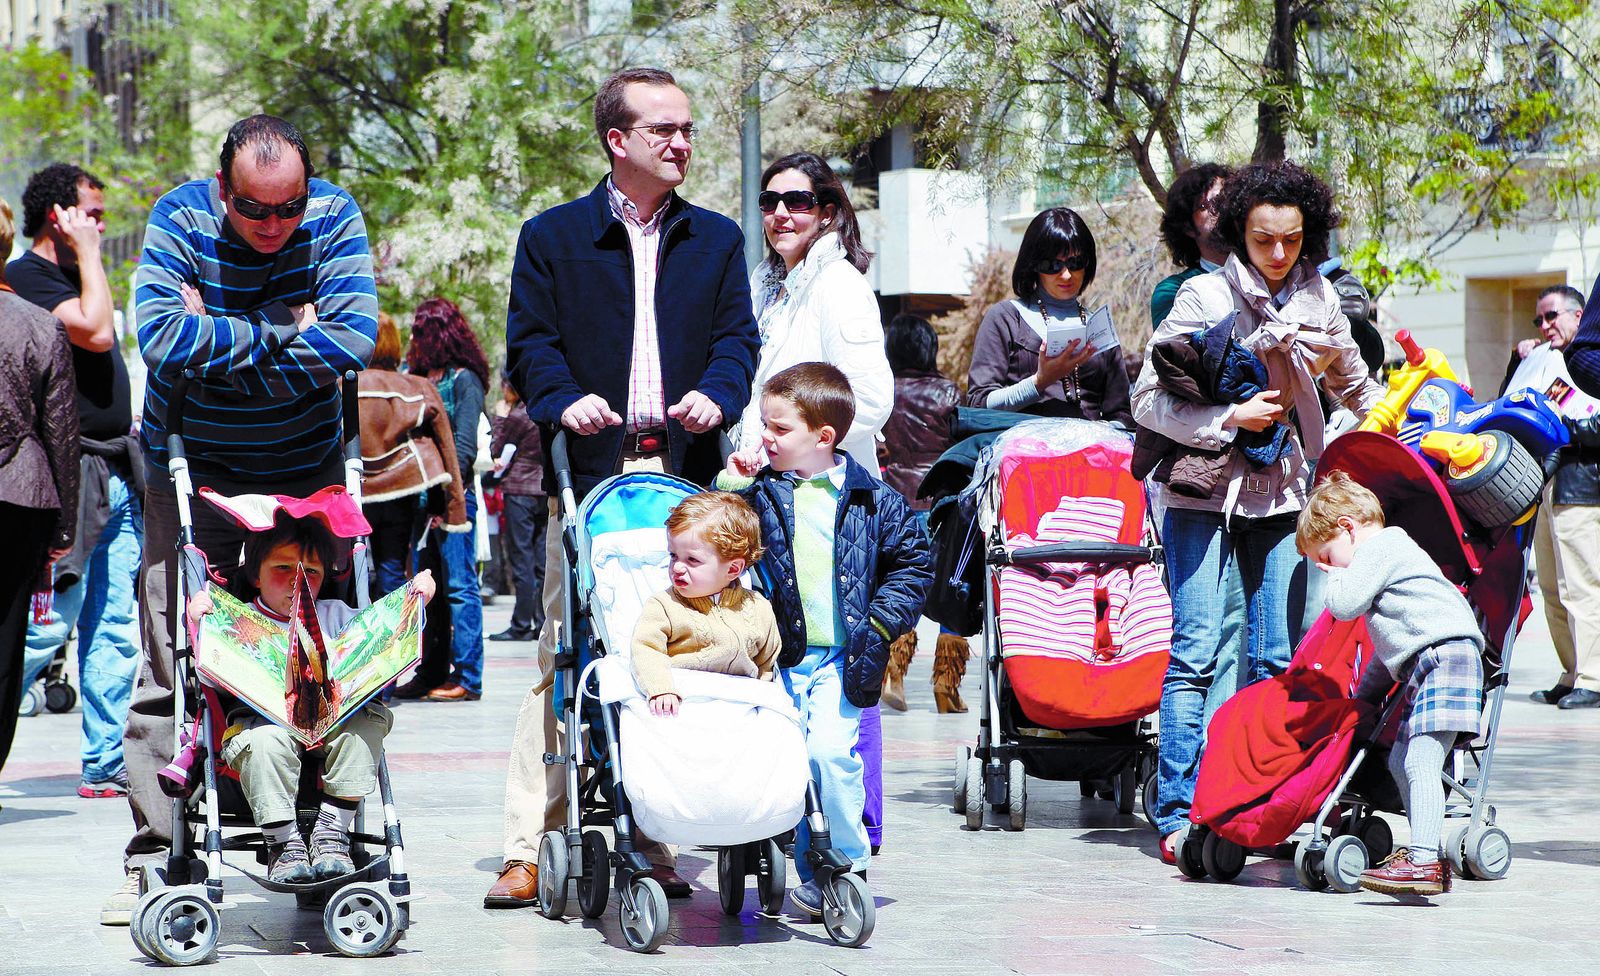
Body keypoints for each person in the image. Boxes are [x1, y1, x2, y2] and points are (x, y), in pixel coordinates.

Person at [490, 66, 758, 908]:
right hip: (591, 476)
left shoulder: (715, 240)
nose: (682, 143)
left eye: (687, 130)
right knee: (566, 659)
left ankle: (657, 832)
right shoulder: (552, 236)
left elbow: (738, 342)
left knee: (681, 655)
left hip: (688, 480)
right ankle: (530, 846)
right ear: (617, 140)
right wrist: (565, 401)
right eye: (663, 131)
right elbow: (530, 345)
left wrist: (721, 390)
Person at [108, 114, 378, 925]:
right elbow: (159, 334)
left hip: (306, 469)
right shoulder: (178, 215)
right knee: (174, 656)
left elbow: (354, 339)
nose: (273, 227)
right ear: (221, 189)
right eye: (254, 210)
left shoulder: (334, 216)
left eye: (288, 207)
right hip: (192, 467)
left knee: (319, 652)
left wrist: (219, 336)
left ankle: (311, 830)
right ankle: (154, 855)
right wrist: (285, 328)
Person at [1132, 160, 1383, 863]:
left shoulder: (1321, 303)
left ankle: (1255, 801)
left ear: (1310, 236)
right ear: (1239, 233)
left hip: (1282, 496)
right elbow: (1146, 400)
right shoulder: (1205, 299)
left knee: (1273, 656)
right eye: (1264, 240)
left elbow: (1360, 390)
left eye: (1293, 241)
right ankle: (1179, 815)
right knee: (1194, 652)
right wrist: (1228, 416)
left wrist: (1418, 425)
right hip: (1199, 496)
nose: (1278, 255)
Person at [719, 362, 931, 916]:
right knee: (787, 764)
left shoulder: (870, 498)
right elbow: (713, 532)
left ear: (824, 437)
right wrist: (731, 483)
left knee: (832, 756)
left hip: (845, 657)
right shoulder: (762, 494)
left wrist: (880, 626)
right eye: (764, 425)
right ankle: (808, 866)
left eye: (779, 428)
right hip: (780, 660)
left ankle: (848, 863)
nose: (766, 437)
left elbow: (914, 562)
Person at [185, 513, 435, 882]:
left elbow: (381, 640)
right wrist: (200, 625)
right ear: (255, 575)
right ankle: (283, 844)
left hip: (333, 724)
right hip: (262, 725)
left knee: (370, 721)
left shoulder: (337, 615)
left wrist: (415, 603)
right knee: (264, 742)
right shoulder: (239, 619)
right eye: (282, 567)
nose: (296, 580)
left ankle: (332, 832)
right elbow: (210, 677)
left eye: (311, 572)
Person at [7, 162, 142, 800]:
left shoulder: (80, 275)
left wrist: (89, 256)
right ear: (56, 215)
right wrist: (89, 253)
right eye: (91, 212)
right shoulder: (24, 278)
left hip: (116, 471)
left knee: (114, 624)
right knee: (45, 625)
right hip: (70, 476)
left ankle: (105, 760)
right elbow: (95, 331)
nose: (100, 224)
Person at [1298, 471, 1484, 896]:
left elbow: (1343, 607)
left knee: (1420, 761)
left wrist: (1334, 577)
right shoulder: (1385, 560)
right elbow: (1391, 650)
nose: (1329, 568)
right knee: (1403, 761)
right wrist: (1363, 700)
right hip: (1434, 660)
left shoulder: (1382, 546)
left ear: (1347, 528)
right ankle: (1425, 854)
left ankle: (1424, 860)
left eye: (1328, 555)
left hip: (1447, 657)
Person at [1150, 164, 1249, 720]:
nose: (1222, 214)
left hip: (1261, 487)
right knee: (1199, 634)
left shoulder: (1271, 283)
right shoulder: (1180, 292)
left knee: (1246, 629)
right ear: (1187, 224)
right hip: (1200, 476)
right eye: (1210, 206)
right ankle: (1191, 770)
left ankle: (1224, 749)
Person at [734, 151, 892, 475]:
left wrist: (789, 446)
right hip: (766, 483)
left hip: (822, 494)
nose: (780, 213)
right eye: (769, 201)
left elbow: (869, 400)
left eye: (797, 201)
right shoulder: (762, 285)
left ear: (826, 213)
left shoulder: (838, 283)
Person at [0, 195, 81, 777]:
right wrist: (65, 524)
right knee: (7, 641)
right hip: (18, 497)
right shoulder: (38, 324)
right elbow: (60, 433)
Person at [1496, 284, 1600, 709]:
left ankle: (1593, 677)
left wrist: (1561, 433)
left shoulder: (1591, 365)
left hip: (1580, 484)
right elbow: (1507, 402)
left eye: (1552, 316)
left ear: (1580, 316)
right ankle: (1572, 671)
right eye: (1539, 319)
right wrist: (1515, 359)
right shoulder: (1541, 359)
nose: (1545, 325)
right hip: (1545, 485)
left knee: (1582, 584)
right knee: (1554, 589)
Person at [398, 297, 489, 703]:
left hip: (454, 501)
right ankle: (431, 670)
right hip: (419, 503)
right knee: (427, 591)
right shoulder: (416, 378)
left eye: (420, 329)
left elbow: (464, 446)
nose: (414, 336)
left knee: (459, 587)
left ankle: (468, 677)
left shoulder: (463, 380)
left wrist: (444, 496)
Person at [966, 207, 1132, 425]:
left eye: (1075, 263)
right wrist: (1039, 382)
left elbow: (1121, 414)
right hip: (1022, 452)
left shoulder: (1099, 327)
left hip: (1090, 454)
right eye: (1052, 265)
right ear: (1033, 265)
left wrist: (1101, 435)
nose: (1066, 274)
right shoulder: (1005, 318)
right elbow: (979, 403)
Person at [876, 314, 964, 714]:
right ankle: (947, 686)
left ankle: (893, 671)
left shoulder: (884, 392)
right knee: (952, 592)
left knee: (905, 587)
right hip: (944, 504)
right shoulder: (947, 392)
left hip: (896, 502)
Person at [631, 492, 781, 714]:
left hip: (739, 706)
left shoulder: (759, 608)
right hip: (683, 702)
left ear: (732, 569)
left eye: (692, 560)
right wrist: (661, 688)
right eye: (673, 556)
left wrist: (763, 697)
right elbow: (645, 648)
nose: (678, 567)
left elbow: (766, 662)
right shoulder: (664, 605)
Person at [488, 376, 547, 643]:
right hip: (544, 491)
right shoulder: (546, 410)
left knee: (521, 560)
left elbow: (496, 449)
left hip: (520, 492)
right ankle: (543, 622)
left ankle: (522, 624)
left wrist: (500, 418)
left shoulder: (519, 416)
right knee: (543, 561)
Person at [1151, 163, 1233, 328]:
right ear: (1188, 228)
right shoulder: (1173, 291)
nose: (1218, 208)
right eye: (1204, 206)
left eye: (1223, 198)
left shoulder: (1272, 270)